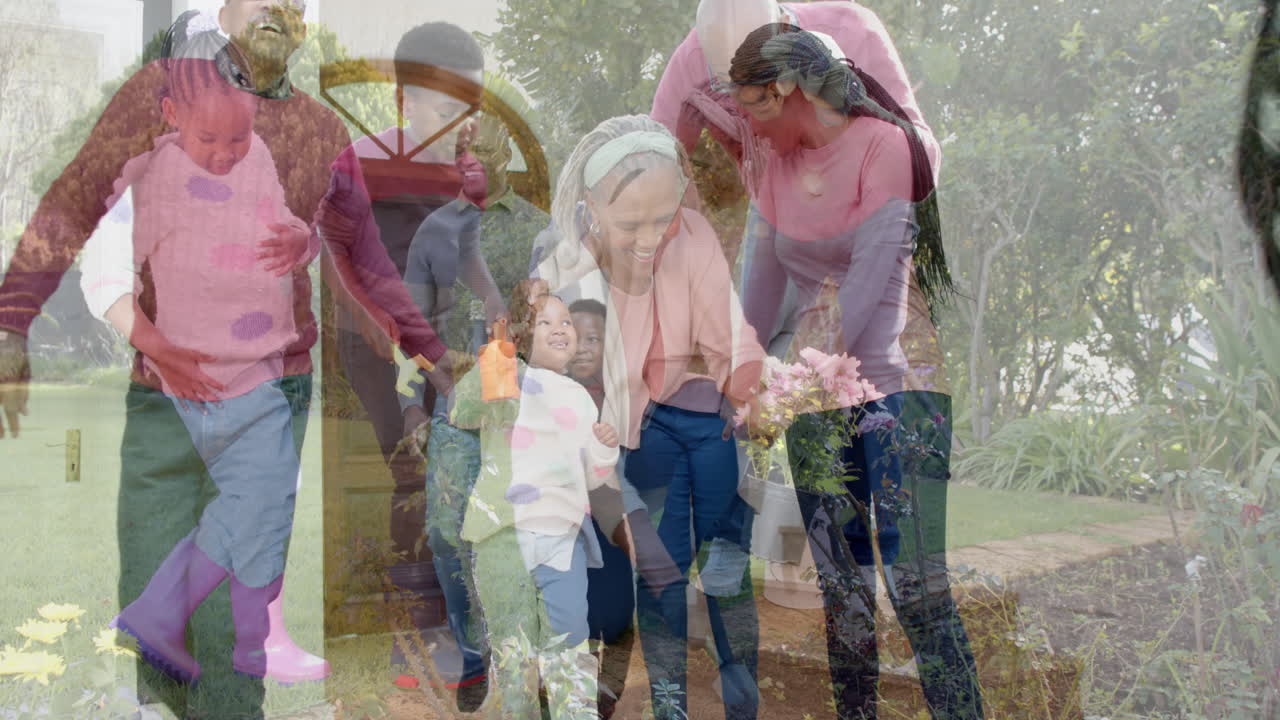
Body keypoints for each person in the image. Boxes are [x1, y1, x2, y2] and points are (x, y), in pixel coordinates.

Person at [0, 2, 454, 715]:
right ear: (225, 8)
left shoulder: (317, 131)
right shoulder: (160, 95)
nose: (280, 8)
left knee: (234, 602)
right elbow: (76, 200)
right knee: (158, 581)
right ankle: (157, 693)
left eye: (297, 2)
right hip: (164, 396)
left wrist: (430, 353)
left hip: (269, 387)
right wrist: (11, 319)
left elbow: (362, 258)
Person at [729, 24, 983, 719]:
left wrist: (781, 395)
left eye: (753, 106)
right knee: (841, 592)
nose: (748, 124)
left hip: (900, 395)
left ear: (786, 92)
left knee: (916, 587)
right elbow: (755, 301)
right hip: (817, 407)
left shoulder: (885, 147)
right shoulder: (774, 172)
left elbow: (872, 294)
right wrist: (742, 378)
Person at [95, 56, 326, 686]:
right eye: (208, 140)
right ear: (171, 115)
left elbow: (288, 232)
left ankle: (242, 640)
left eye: (239, 137)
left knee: (268, 503)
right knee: (253, 500)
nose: (226, 154)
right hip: (194, 380)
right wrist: (161, 350)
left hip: (259, 371)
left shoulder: (259, 162)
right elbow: (105, 277)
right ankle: (166, 618)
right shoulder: (149, 177)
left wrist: (303, 242)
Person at [534, 115, 765, 720]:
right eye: (630, 223)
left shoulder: (691, 237)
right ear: (589, 210)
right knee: (623, 593)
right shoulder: (567, 275)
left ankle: (728, 688)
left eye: (662, 218)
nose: (650, 237)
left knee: (718, 555)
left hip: (678, 426)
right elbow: (568, 403)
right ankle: (602, 697)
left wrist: (750, 387)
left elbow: (728, 333)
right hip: (598, 456)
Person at [335, 19, 493, 689]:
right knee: (413, 472)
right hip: (376, 346)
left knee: (462, 474)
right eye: (446, 106)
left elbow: (469, 254)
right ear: (406, 101)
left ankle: (463, 620)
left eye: (471, 106)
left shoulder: (469, 174)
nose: (462, 121)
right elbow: (334, 256)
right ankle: (415, 629)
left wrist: (500, 305)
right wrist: (372, 319)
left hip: (444, 347)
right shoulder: (360, 160)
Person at [450, 281, 620, 720]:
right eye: (545, 320)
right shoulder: (510, 377)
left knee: (568, 639)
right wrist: (500, 351)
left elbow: (593, 476)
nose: (561, 327)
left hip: (562, 539)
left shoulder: (580, 398)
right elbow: (461, 410)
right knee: (514, 649)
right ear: (524, 336)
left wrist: (604, 449)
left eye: (566, 321)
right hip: (503, 537)